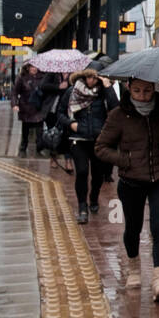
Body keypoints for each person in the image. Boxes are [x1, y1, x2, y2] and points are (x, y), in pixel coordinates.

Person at [95, 77, 159, 303]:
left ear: (154, 89)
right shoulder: (118, 115)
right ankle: (134, 269)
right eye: (137, 91)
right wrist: (124, 159)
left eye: (147, 90)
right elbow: (101, 148)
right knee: (132, 228)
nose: (142, 95)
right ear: (128, 89)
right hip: (131, 179)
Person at [60, 68, 118, 223]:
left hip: (99, 140)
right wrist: (71, 123)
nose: (91, 80)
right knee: (82, 171)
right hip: (78, 139)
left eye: (94, 77)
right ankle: (82, 207)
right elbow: (60, 113)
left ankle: (93, 197)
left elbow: (116, 109)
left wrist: (108, 87)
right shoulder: (72, 91)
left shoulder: (104, 92)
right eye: (88, 77)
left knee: (98, 174)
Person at [11, 62, 47, 156]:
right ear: (27, 68)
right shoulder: (22, 78)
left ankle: (39, 148)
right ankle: (23, 148)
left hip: (38, 108)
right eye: (32, 67)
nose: (34, 68)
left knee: (40, 131)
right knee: (25, 130)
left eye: (36, 66)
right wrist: (15, 104)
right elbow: (15, 92)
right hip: (26, 108)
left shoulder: (42, 77)